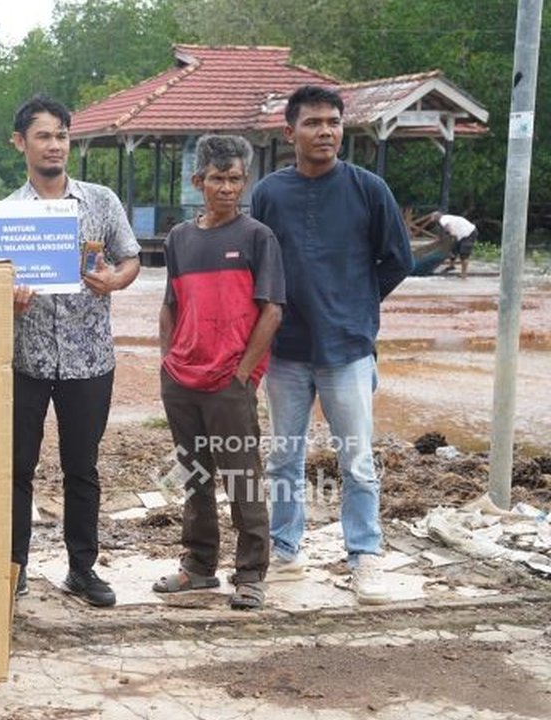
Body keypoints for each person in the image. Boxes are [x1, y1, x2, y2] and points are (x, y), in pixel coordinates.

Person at [250, 85, 413, 604]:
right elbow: (259, 266)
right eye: (314, 122)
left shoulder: (368, 189)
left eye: (334, 122)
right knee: (284, 460)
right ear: (289, 132)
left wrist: (357, 306)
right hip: (287, 349)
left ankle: (364, 557)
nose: (326, 131)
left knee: (358, 460)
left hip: (348, 350)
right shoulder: (270, 193)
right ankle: (285, 551)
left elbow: (398, 259)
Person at [8, 94, 141, 608]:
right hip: (27, 361)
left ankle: (82, 569)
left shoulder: (101, 201)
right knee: (18, 467)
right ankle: (14, 569)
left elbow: (129, 260)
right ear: (21, 143)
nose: (54, 145)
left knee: (82, 467)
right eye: (43, 135)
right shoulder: (6, 215)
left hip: (89, 359)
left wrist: (114, 280)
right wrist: (9, 295)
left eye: (61, 135)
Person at [152, 135, 285, 610]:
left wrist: (244, 374)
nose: (227, 188)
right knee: (194, 477)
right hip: (182, 380)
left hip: (230, 382)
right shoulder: (180, 239)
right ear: (198, 182)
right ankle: (199, 568)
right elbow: (170, 304)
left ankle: (250, 574)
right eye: (217, 179)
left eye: (234, 179)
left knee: (242, 478)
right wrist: (169, 361)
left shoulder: (257, 237)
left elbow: (272, 311)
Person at [434, 211, 478, 279]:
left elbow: (447, 226)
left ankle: (464, 274)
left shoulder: (442, 219)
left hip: (469, 233)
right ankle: (452, 266)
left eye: (432, 218)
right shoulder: (447, 217)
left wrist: (451, 233)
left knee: (464, 254)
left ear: (436, 217)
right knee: (453, 249)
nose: (432, 220)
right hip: (462, 234)